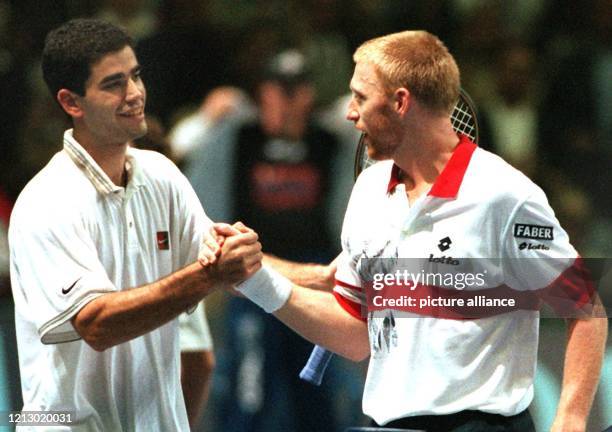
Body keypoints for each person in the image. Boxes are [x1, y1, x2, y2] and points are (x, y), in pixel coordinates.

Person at [212, 30, 608, 432]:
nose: (350, 112)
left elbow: (585, 308)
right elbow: (354, 335)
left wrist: (570, 419)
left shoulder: (504, 195)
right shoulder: (367, 190)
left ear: (400, 102)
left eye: (361, 98)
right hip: (388, 426)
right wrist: (257, 282)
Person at [8, 18, 261, 431]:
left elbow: (227, 269)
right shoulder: (47, 200)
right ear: (73, 103)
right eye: (113, 84)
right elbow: (96, 323)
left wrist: (321, 277)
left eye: (136, 76)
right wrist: (209, 274)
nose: (135, 94)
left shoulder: (161, 174)